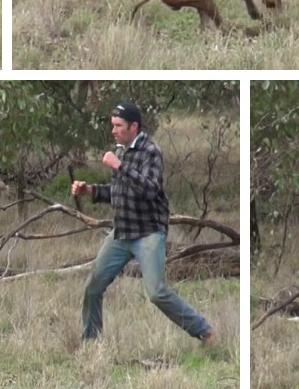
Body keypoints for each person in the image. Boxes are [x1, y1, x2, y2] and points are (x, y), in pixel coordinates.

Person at [71, 102, 216, 346]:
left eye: (118, 126)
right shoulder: (121, 151)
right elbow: (120, 191)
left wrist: (120, 166)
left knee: (157, 293)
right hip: (122, 232)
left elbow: (149, 189)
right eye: (112, 126)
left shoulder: (151, 151)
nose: (113, 131)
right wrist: (90, 191)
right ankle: (91, 344)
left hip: (148, 232)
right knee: (92, 287)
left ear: (134, 126)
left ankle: (205, 333)